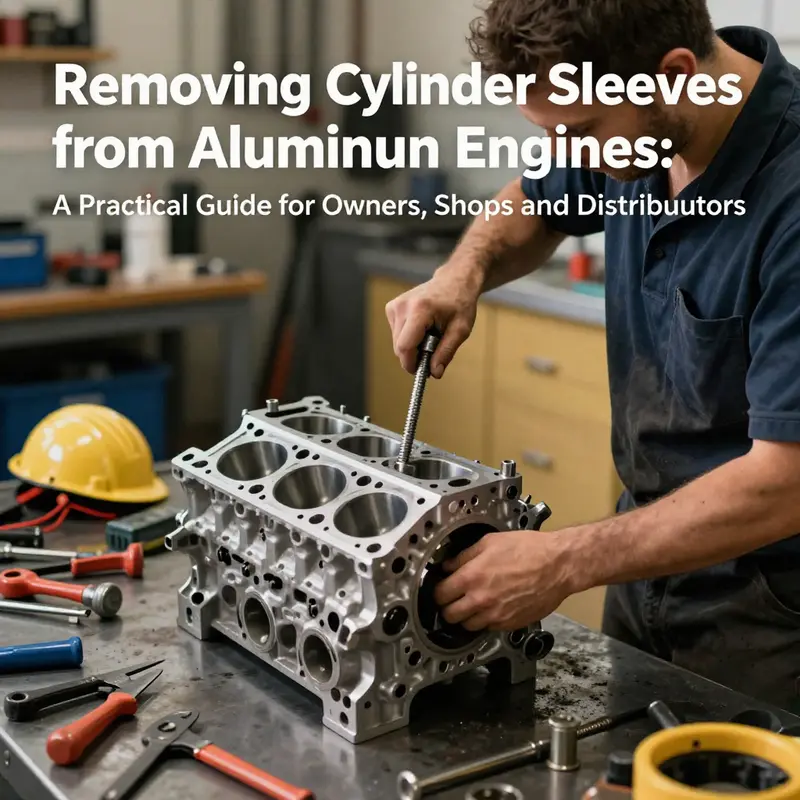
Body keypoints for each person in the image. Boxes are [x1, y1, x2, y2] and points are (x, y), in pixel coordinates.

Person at [384, 0, 800, 711]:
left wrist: (563, 560)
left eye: (577, 132)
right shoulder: (636, 127)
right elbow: (535, 203)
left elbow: (786, 482)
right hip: (642, 570)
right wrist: (464, 271)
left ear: (673, 77)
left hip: (767, 613)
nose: (568, 156)